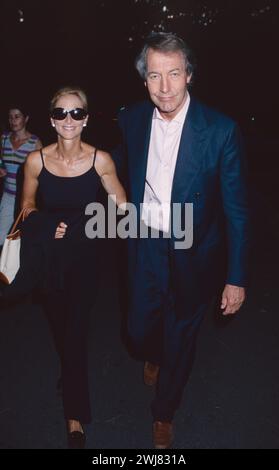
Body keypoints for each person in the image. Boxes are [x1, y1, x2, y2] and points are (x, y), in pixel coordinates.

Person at [112, 33, 250, 449]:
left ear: (189, 75)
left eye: (174, 74)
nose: (165, 87)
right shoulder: (131, 119)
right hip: (144, 243)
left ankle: (164, 412)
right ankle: (153, 350)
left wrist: (236, 276)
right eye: (155, 75)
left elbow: (237, 210)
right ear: (145, 80)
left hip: (196, 250)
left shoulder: (221, 130)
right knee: (137, 329)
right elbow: (112, 170)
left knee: (183, 336)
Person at [0, 86, 126, 448]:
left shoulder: (101, 160)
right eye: (60, 113)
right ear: (52, 120)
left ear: (85, 119)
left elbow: (121, 209)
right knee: (59, 326)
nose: (68, 120)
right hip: (49, 258)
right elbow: (25, 207)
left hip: (85, 259)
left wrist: (85, 224)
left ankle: (76, 415)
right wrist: (45, 223)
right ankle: (69, 368)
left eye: (75, 113)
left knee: (75, 332)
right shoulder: (36, 160)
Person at [0, 105, 42, 247]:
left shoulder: (34, 142)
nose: (13, 120)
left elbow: (43, 172)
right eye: (10, 117)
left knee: (22, 239)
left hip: (26, 199)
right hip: (8, 196)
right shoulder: (4, 138)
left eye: (17, 116)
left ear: (26, 119)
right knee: (1, 237)